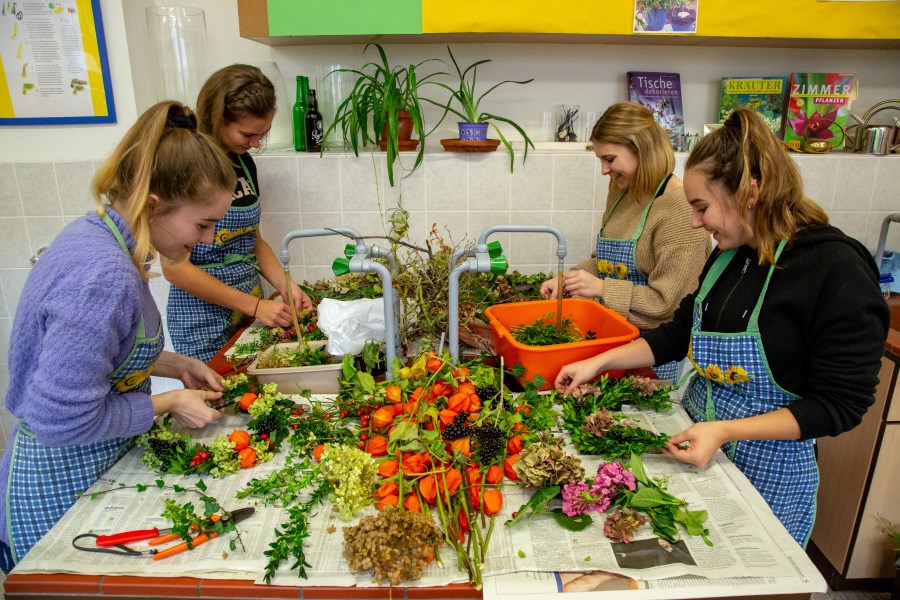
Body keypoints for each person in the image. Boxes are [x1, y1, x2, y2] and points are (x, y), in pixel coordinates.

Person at [555, 108, 890, 546]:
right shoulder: (732, 254)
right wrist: (599, 363)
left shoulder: (835, 268)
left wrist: (726, 431)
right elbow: (678, 334)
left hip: (769, 470)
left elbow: (841, 405)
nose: (696, 222)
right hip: (698, 444)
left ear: (751, 191)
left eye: (701, 207)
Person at [0, 101, 233, 571]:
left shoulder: (102, 237)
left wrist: (175, 364)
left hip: (93, 467)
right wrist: (167, 403)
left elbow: (104, 355)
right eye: (202, 224)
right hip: (59, 483)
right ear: (153, 204)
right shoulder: (102, 276)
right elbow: (62, 421)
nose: (208, 240)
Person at [541, 102, 710, 381]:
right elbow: (604, 262)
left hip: (653, 355)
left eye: (610, 159)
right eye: (601, 161)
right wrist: (569, 279)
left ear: (641, 148)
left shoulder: (679, 209)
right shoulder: (622, 191)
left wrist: (601, 288)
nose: (605, 171)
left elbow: (668, 304)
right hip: (613, 339)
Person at [164, 64, 312, 363]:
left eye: (263, 134)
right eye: (247, 134)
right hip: (201, 319)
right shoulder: (187, 165)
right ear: (218, 119)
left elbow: (253, 241)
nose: (256, 143)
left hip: (247, 307)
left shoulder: (245, 163)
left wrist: (287, 286)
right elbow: (174, 267)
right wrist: (255, 306)